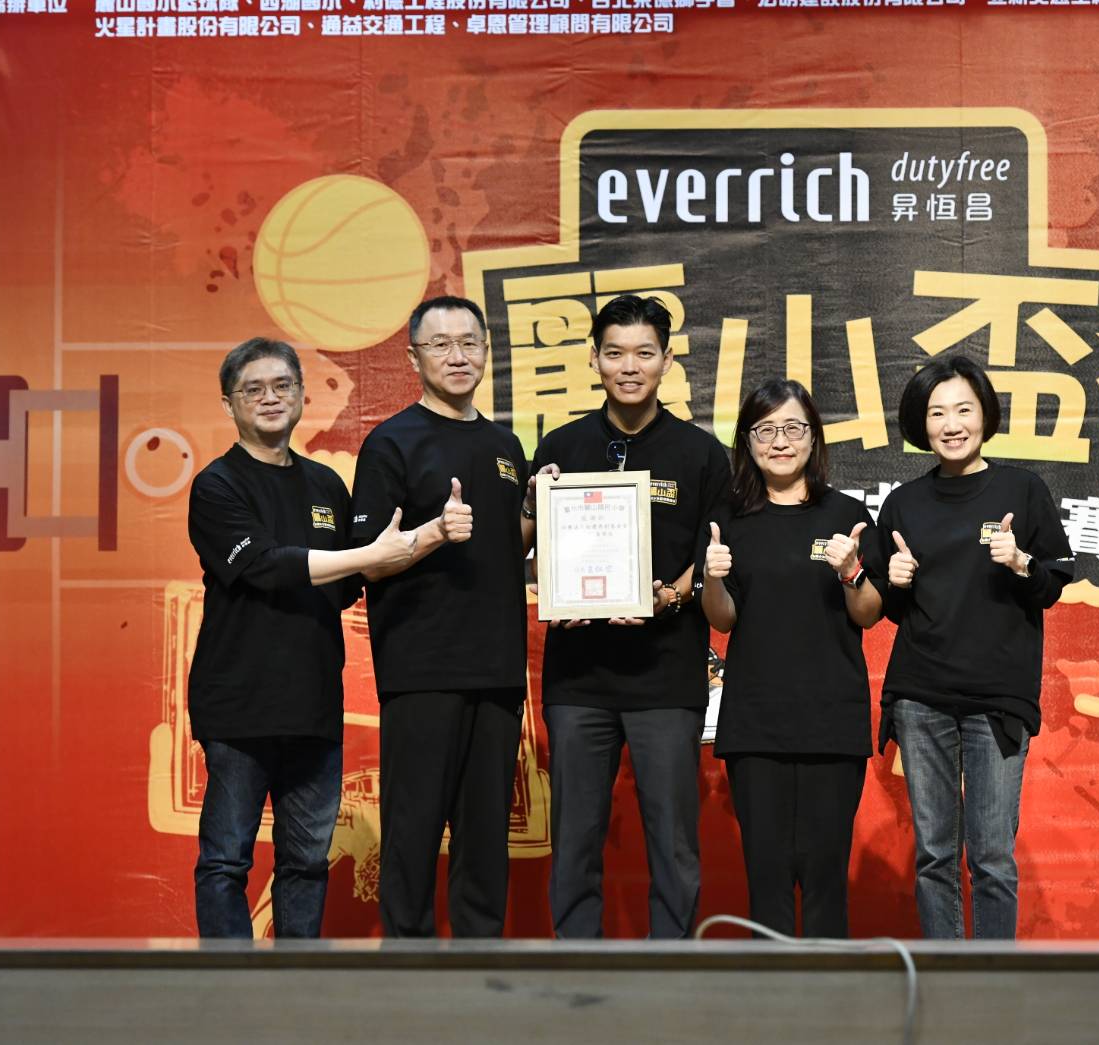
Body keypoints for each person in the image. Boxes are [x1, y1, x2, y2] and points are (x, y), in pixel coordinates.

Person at [187, 336, 414, 938]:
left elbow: (348, 581)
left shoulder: (326, 485)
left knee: (308, 862)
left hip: (313, 703)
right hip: (238, 703)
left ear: (302, 395)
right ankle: (228, 984)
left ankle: (298, 980)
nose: (270, 398)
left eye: (282, 386)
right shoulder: (217, 485)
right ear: (229, 404)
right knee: (226, 860)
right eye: (253, 389)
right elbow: (264, 566)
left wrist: (426, 539)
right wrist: (366, 557)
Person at [531, 293, 731, 938]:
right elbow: (532, 551)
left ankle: (670, 968)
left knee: (673, 841)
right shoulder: (560, 447)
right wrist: (554, 586)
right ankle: (577, 969)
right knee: (574, 838)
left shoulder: (701, 453)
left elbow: (713, 557)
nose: (629, 366)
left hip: (665, 676)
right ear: (593, 359)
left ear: (667, 361)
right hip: (578, 678)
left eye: (645, 353)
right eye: (615, 353)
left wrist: (668, 597)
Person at [350, 295, 545, 938]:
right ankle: (407, 960)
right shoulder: (390, 443)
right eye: (440, 345)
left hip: (497, 667)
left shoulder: (504, 444)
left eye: (469, 342)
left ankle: (479, 960)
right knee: (413, 825)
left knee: (485, 831)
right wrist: (433, 533)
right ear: (413, 358)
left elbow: (507, 548)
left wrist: (536, 508)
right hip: (422, 668)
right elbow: (368, 561)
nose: (457, 356)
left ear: (487, 350)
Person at [875, 355, 1075, 939]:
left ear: (985, 415)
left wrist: (1021, 562)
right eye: (937, 413)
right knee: (934, 855)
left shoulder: (1023, 490)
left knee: (991, 856)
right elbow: (888, 606)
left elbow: (1052, 585)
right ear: (921, 424)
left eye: (963, 409)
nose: (951, 424)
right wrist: (896, 582)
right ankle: (944, 977)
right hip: (921, 696)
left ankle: (990, 978)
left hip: (997, 699)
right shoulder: (903, 503)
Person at [700, 378, 882, 938]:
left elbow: (869, 613)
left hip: (831, 720)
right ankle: (771, 991)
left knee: (826, 878)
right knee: (768, 879)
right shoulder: (730, 519)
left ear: (814, 436)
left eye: (793, 427)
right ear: (747, 441)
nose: (780, 441)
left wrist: (851, 571)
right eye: (765, 430)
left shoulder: (846, 513)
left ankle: (830, 993)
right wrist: (712, 576)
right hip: (756, 722)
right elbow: (723, 619)